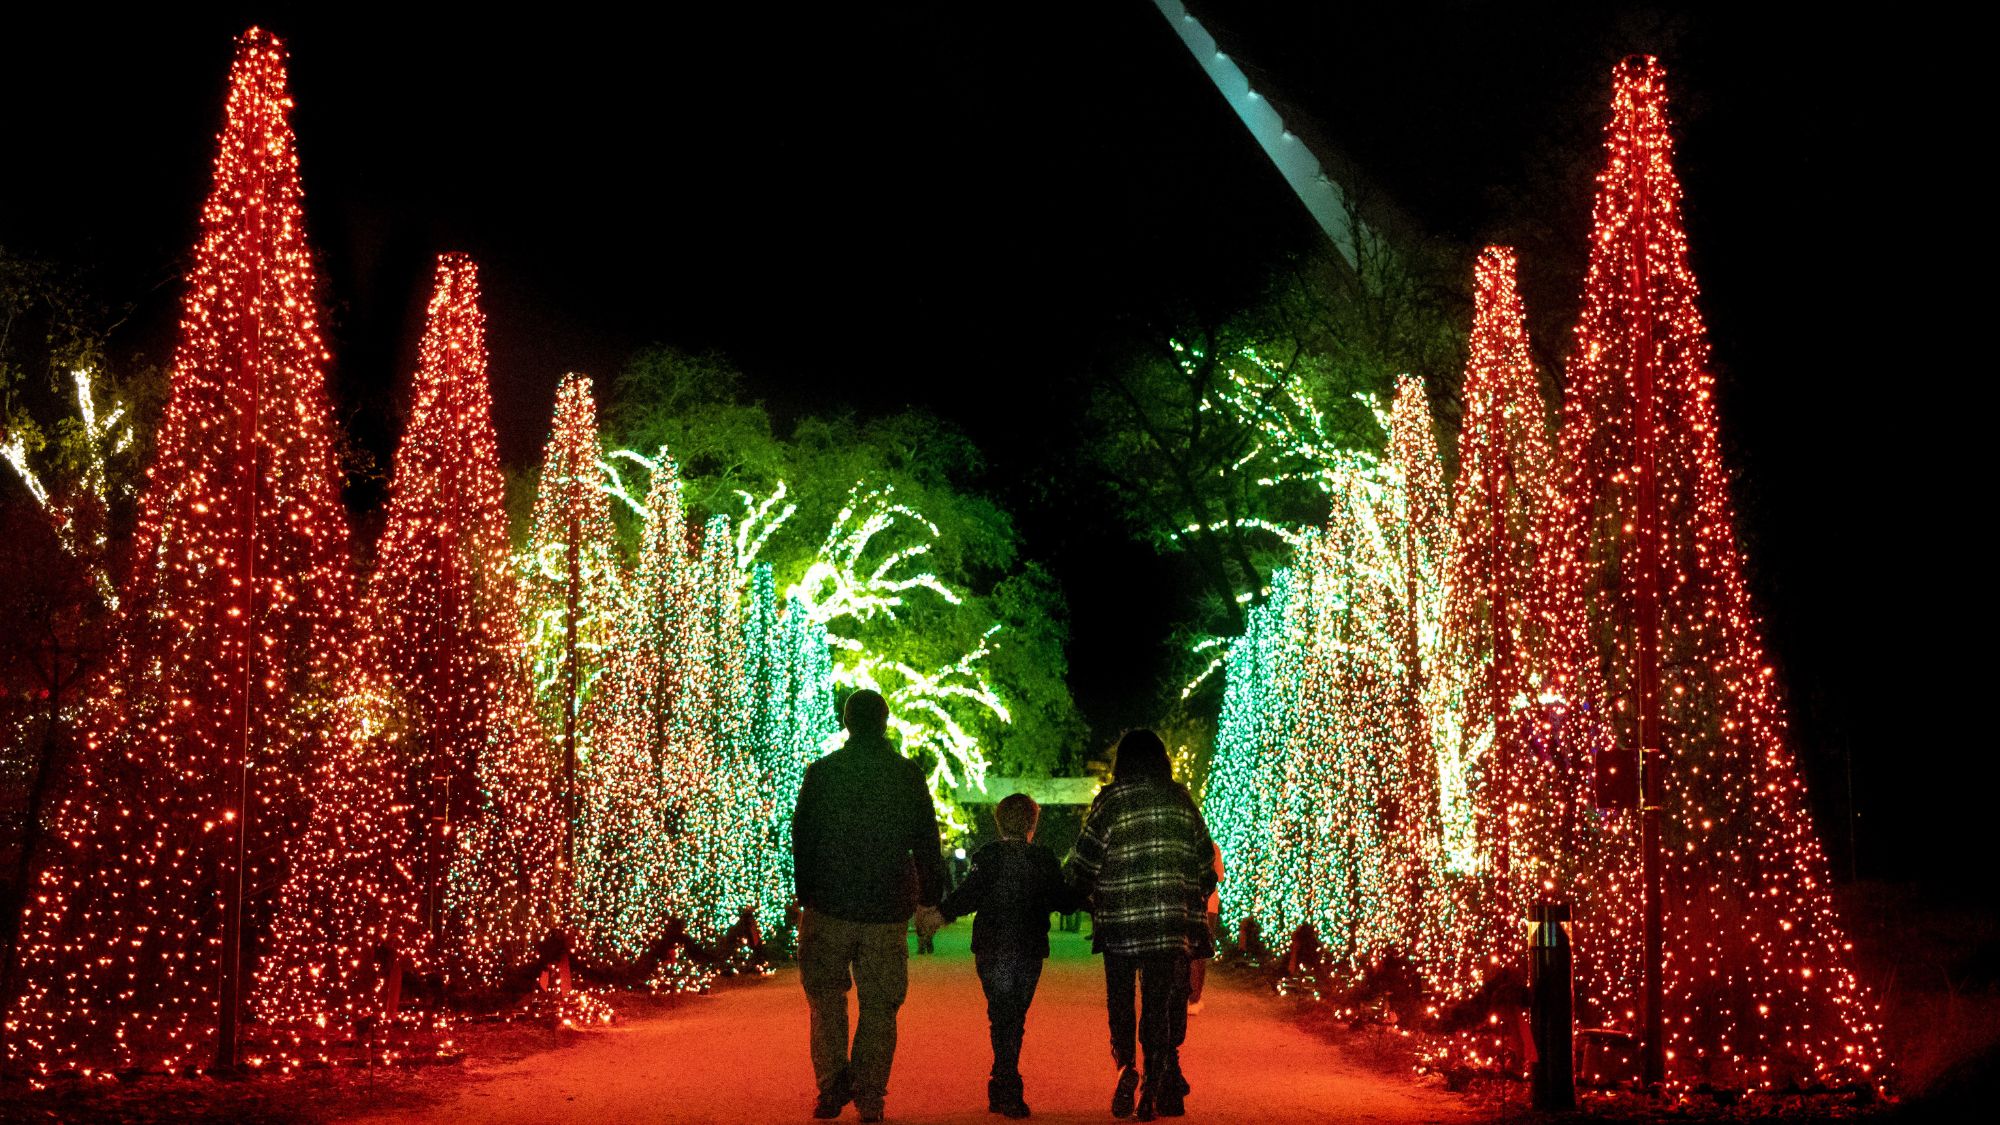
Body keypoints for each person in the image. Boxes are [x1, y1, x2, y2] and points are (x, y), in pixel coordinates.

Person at [792, 689, 947, 1122]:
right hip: (885, 907)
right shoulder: (906, 775)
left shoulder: (822, 774)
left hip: (828, 904)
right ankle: (870, 1095)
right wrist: (929, 898)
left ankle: (830, 1086)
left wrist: (806, 894)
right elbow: (926, 841)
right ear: (884, 722)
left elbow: (802, 837)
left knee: (825, 999)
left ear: (846, 723)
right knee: (881, 1005)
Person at [1064, 729, 1216, 1121]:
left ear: (1123, 763)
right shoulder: (1181, 800)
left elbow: (1083, 863)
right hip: (1168, 923)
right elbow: (1205, 862)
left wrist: (1074, 893)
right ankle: (1154, 1075)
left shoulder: (1110, 801)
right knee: (1158, 1003)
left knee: (1120, 1000)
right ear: (1162, 760)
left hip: (1118, 922)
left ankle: (1125, 1067)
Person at [935, 794, 1076, 1118]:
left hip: (992, 946)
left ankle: (1004, 1082)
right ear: (1033, 823)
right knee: (1014, 1016)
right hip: (1028, 947)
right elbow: (1062, 899)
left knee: (1002, 1014)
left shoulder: (988, 856)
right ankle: (1006, 1084)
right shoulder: (1043, 858)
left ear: (999, 822)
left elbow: (967, 897)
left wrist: (939, 914)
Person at [1186, 842, 1224, 1014]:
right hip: (1208, 906)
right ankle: (1194, 999)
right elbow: (1220, 876)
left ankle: (1183, 995)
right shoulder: (1212, 847)